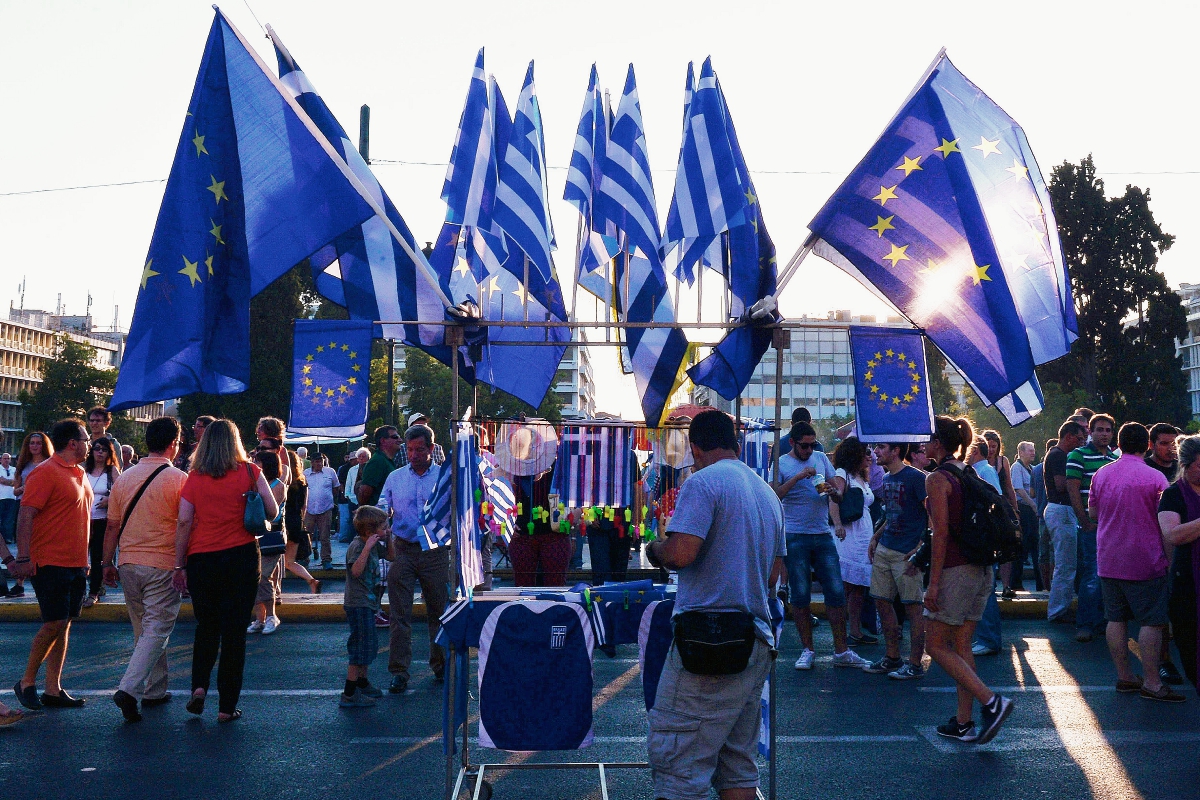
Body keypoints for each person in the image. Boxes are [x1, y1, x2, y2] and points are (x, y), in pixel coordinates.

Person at [643, 410, 785, 800]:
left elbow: (682, 552)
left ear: (695, 448)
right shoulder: (767, 492)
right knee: (737, 764)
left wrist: (655, 550)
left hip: (709, 645)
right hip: (755, 638)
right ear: (736, 444)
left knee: (679, 760)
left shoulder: (703, 483)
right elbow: (774, 574)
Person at [172, 419, 279, 723]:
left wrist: (179, 565)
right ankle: (226, 707)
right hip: (241, 557)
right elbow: (272, 511)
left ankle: (198, 687)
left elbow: (183, 523)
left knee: (206, 627)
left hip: (202, 559)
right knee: (234, 634)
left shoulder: (194, 477)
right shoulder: (250, 471)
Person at [923, 416, 1015, 742]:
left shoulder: (937, 479)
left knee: (934, 644)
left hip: (956, 571)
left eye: (927, 437)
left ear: (938, 444)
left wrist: (933, 584)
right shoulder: (967, 472)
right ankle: (964, 723)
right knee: (962, 644)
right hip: (982, 569)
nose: (922, 443)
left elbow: (941, 534)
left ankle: (991, 702)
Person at [102, 416, 188, 723]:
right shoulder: (179, 479)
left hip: (128, 562)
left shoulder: (125, 477)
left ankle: (154, 688)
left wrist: (106, 563)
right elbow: (186, 524)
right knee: (158, 627)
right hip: (163, 563)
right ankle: (130, 688)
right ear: (174, 444)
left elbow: (112, 526)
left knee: (144, 627)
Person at [1089, 422, 1183, 702]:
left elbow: (1093, 513)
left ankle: (1125, 676)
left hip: (1108, 557)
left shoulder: (1102, 474)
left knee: (1115, 619)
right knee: (1152, 622)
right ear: (1148, 445)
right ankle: (1153, 682)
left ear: (1119, 443)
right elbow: (1167, 522)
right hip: (1145, 558)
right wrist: (1169, 560)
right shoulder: (1155, 479)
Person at [10, 418, 93, 710]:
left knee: (64, 624)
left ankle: (53, 689)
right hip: (48, 561)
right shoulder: (45, 473)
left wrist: (85, 561)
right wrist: (22, 557)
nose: (89, 444)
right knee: (54, 622)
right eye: (85, 439)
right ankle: (26, 682)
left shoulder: (80, 472)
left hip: (75, 562)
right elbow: (26, 515)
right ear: (73, 443)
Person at [773, 421, 868, 670]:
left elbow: (836, 491)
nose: (808, 450)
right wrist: (797, 477)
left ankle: (841, 650)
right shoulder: (782, 463)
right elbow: (775, 496)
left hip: (821, 532)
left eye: (812, 445)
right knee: (801, 594)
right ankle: (808, 649)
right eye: (804, 446)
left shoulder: (819, 457)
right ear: (792, 443)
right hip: (795, 535)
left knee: (836, 592)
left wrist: (833, 492)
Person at [379, 424, 448, 693]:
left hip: (436, 552)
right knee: (399, 614)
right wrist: (382, 525)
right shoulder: (395, 478)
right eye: (409, 449)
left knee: (439, 612)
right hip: (403, 549)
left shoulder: (444, 477)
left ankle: (440, 665)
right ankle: (399, 671)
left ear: (431, 448)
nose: (414, 454)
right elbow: (384, 505)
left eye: (420, 449)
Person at [864, 442, 928, 680]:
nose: (876, 452)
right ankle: (892, 657)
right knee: (881, 601)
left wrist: (920, 547)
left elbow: (931, 514)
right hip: (886, 547)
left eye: (881, 447)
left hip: (907, 553)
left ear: (896, 451)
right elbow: (891, 515)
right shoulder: (888, 478)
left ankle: (915, 663)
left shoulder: (916, 478)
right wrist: (875, 537)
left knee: (913, 607)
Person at [1066, 414, 1118, 642]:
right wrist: (1083, 520)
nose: (1104, 433)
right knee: (1092, 574)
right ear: (1090, 432)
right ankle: (1085, 623)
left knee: (1109, 576)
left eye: (1108, 430)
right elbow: (1073, 490)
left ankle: (1103, 622)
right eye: (1099, 429)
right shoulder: (1078, 455)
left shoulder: (1114, 459)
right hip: (1091, 525)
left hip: (1113, 527)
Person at [340, 505, 395, 708]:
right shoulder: (357, 546)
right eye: (383, 527)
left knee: (368, 645)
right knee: (359, 647)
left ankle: (362, 682)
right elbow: (355, 571)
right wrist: (366, 549)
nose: (387, 528)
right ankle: (349, 692)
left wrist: (388, 539)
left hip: (368, 603)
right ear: (369, 532)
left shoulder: (373, 543)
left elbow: (391, 557)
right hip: (358, 603)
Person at [1160, 435, 1200, 689]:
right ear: (1185, 465)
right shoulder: (1173, 495)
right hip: (1188, 583)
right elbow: (1173, 535)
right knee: (1191, 647)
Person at [829, 437, 877, 645]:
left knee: (858, 587)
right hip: (849, 535)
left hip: (863, 536)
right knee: (848, 585)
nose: (870, 456)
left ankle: (855, 631)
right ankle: (841, 634)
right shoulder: (842, 474)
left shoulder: (861, 477)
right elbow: (833, 498)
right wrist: (838, 524)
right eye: (865, 452)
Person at [1044, 421, 1087, 624]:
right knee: (1065, 564)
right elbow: (1062, 485)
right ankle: (1058, 610)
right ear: (1068, 436)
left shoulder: (1056, 455)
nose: (1081, 443)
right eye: (1079, 438)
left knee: (1067, 563)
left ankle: (1061, 606)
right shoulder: (1059, 456)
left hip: (1060, 510)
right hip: (1061, 510)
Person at [8, 432, 53, 599]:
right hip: (24, 504)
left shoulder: (50, 463)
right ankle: (19, 584)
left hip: (44, 508)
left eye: (38, 443)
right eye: (32, 443)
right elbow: (15, 489)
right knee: (23, 543)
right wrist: (25, 488)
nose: (35, 446)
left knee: (42, 543)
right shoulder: (23, 465)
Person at [248, 451, 287, 636]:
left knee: (264, 576)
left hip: (271, 535)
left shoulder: (278, 485)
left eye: (258, 461)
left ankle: (272, 616)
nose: (254, 463)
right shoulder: (254, 482)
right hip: (255, 534)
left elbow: (270, 511)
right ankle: (259, 618)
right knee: (254, 578)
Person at [83, 435, 122, 608]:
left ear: (109, 453)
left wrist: (109, 499)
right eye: (97, 448)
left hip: (102, 520)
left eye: (104, 449)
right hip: (83, 519)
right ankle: (79, 591)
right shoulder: (84, 469)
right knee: (81, 558)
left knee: (98, 556)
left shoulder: (111, 470)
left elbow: (122, 491)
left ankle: (94, 591)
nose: (99, 452)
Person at [1010, 441, 1042, 591]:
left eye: (1033, 450)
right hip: (1024, 509)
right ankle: (1016, 582)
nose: (1033, 453)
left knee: (1035, 546)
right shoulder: (1017, 468)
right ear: (1021, 452)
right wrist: (1033, 505)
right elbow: (1019, 489)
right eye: (1030, 450)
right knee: (1022, 547)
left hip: (1032, 511)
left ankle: (1040, 582)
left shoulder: (1032, 469)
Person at [304, 453, 341, 570]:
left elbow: (336, 488)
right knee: (306, 535)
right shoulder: (305, 473)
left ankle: (326, 560)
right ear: (312, 462)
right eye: (316, 461)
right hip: (309, 508)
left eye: (321, 461)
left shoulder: (330, 472)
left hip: (325, 508)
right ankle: (304, 558)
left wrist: (327, 498)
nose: (319, 463)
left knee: (325, 536)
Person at [358, 426, 402, 507]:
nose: (400, 440)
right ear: (383, 440)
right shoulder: (377, 461)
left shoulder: (386, 460)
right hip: (377, 516)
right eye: (395, 437)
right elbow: (364, 492)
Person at [1034, 439, 1056, 596]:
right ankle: (1055, 586)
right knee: (1055, 551)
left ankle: (1045, 586)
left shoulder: (1035, 469)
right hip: (1056, 512)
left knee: (1043, 553)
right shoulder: (1058, 465)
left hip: (1041, 514)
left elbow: (1032, 493)